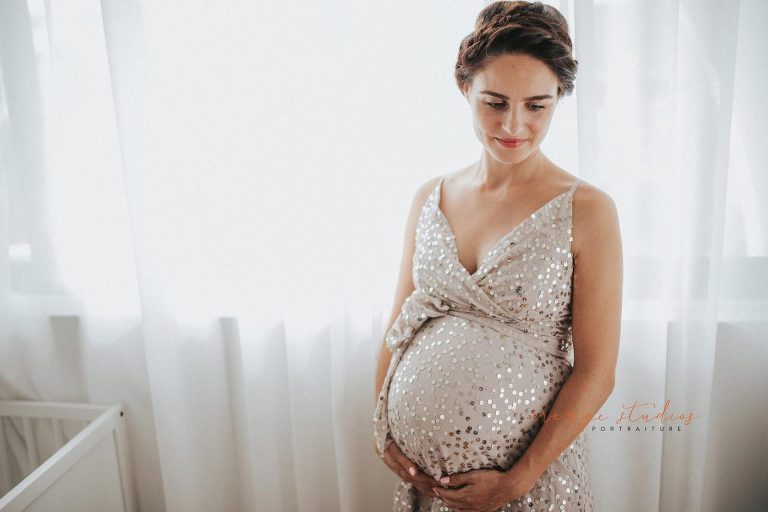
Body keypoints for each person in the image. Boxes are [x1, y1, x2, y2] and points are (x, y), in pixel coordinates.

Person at [372, 2, 622, 511]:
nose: (514, 124)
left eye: (537, 105)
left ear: (559, 100)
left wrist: (520, 478)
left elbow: (596, 371)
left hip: (529, 484)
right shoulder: (430, 197)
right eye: (494, 102)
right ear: (465, 89)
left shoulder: (589, 211)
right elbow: (399, 325)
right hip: (426, 486)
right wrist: (383, 427)